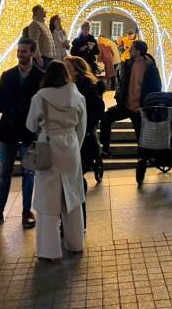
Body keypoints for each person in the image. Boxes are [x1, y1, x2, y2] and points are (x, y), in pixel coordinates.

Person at [0, 38, 44, 232]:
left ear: (32, 53)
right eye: (19, 51)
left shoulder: (41, 77)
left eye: (24, 52)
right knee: (4, 174)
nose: (20, 55)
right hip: (8, 130)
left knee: (29, 173)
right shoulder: (7, 75)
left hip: (29, 132)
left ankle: (26, 211)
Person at [26, 61, 87, 260]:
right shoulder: (77, 95)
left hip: (48, 146)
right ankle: (75, 243)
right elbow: (82, 126)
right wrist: (74, 146)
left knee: (47, 200)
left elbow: (31, 124)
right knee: (72, 196)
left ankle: (48, 250)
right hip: (70, 146)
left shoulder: (40, 97)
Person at [100, 40, 162, 171]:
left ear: (138, 51)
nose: (130, 50)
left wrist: (148, 106)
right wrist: (119, 96)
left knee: (142, 138)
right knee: (106, 117)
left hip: (140, 109)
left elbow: (156, 88)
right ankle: (105, 149)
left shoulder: (150, 67)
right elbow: (123, 82)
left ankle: (144, 162)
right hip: (126, 105)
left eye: (132, 48)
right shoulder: (129, 64)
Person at [64, 55, 106, 225]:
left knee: (76, 179)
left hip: (84, 140)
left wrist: (85, 126)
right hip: (72, 139)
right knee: (73, 179)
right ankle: (73, 220)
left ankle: (78, 220)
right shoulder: (66, 87)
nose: (64, 69)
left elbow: (97, 108)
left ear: (76, 69)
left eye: (67, 67)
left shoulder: (86, 87)